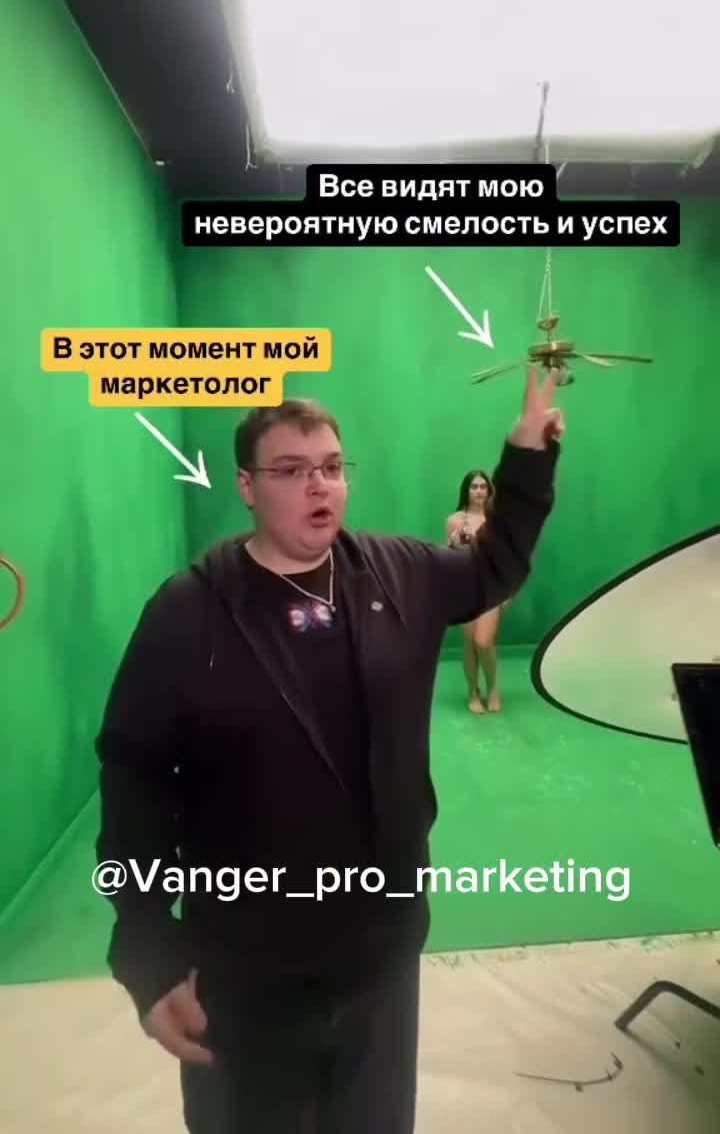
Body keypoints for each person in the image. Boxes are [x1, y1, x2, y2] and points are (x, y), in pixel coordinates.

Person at [94, 367, 563, 1133]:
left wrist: (527, 459)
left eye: (332, 467)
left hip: (380, 950)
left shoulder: (399, 574)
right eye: (291, 470)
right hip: (246, 966)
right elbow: (134, 777)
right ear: (246, 487)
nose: (320, 486)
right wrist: (146, 949)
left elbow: (494, 566)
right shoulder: (187, 613)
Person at [446, 469, 506, 714]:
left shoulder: (498, 520)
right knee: (470, 642)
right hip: (465, 586)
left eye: (483, 486)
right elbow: (452, 558)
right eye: (474, 487)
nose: (479, 491)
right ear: (467, 491)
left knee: (484, 641)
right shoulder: (455, 520)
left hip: (492, 587)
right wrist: (453, 543)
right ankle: (473, 691)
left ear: (489, 491)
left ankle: (492, 688)